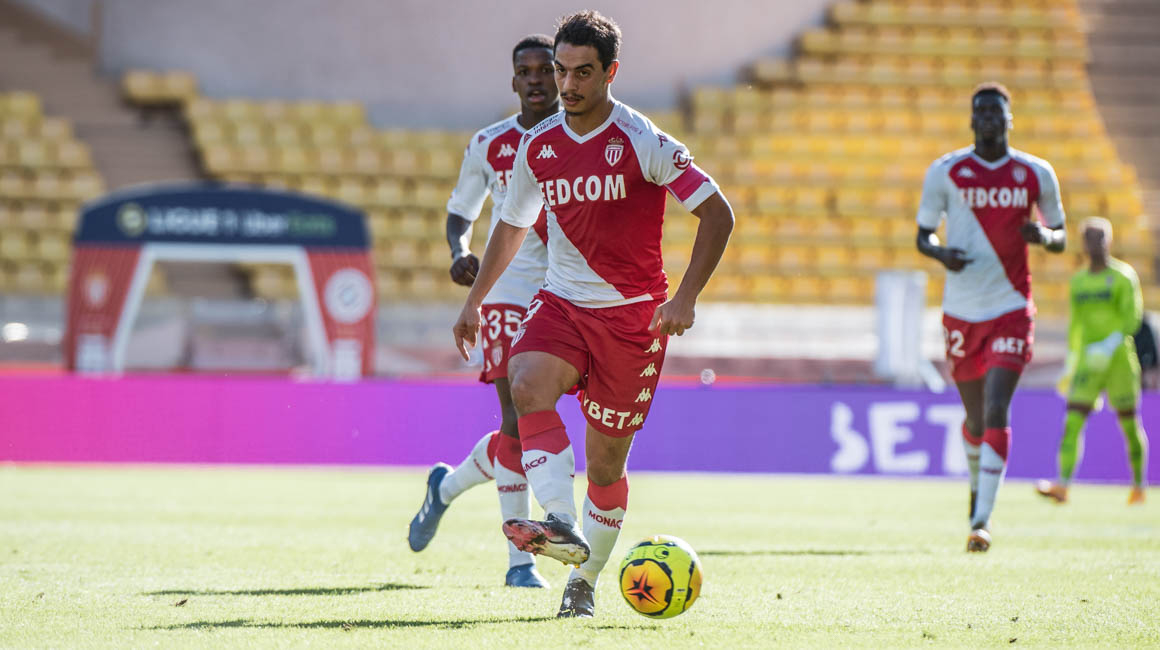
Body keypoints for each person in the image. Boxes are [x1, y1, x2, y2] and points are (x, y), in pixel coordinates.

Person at [452, 10, 734, 617]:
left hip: (634, 320)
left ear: (610, 72)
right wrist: (475, 301)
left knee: (605, 466)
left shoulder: (642, 140)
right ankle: (558, 519)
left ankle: (585, 580)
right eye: (561, 71)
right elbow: (511, 224)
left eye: (582, 72)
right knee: (526, 382)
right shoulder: (538, 145)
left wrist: (685, 297)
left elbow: (718, 214)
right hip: (562, 302)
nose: (567, 84)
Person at [407, 34, 558, 589]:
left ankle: (445, 488)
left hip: (568, 296)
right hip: (506, 297)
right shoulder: (490, 144)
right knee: (518, 420)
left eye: (547, 69)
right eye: (526, 71)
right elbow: (460, 212)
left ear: (563, 75)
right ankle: (521, 562)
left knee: (533, 427)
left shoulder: (581, 138)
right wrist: (459, 252)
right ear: (513, 80)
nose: (537, 79)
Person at [915, 81, 1066, 553]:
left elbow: (1061, 235)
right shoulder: (946, 171)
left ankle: (981, 519)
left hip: (1011, 308)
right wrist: (942, 255)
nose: (987, 118)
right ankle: (977, 488)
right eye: (979, 111)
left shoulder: (1035, 173)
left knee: (998, 407)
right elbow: (923, 235)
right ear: (971, 119)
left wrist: (1043, 237)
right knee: (976, 418)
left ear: (1008, 119)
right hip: (961, 311)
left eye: (995, 112)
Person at [1036, 217, 1148, 504]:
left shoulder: (1124, 276)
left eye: (1100, 238)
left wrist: (1109, 344)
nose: (1095, 244)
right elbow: (1076, 324)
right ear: (1083, 244)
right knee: (1073, 421)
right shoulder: (1079, 282)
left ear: (1109, 240)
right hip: (1088, 361)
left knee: (1129, 425)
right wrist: (1072, 359)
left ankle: (1138, 486)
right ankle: (1062, 485)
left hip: (1119, 360)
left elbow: (1132, 317)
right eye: (1089, 238)